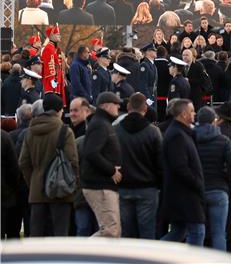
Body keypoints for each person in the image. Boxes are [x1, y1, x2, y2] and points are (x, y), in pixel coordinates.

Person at [18, 93, 79, 236]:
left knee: (36, 236)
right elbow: (73, 162)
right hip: (61, 190)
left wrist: (33, 181)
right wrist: (74, 185)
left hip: (36, 191)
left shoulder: (30, 132)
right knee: (59, 235)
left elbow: (23, 162)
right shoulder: (65, 131)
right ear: (59, 111)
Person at [193, 106, 231, 251]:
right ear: (213, 120)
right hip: (218, 189)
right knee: (219, 233)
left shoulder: (192, 138)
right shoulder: (222, 140)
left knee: (198, 232)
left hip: (198, 190)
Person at [114, 92, 163, 239]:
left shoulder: (116, 131)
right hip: (148, 188)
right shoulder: (153, 132)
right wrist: (160, 184)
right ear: (145, 109)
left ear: (128, 107)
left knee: (127, 235)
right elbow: (160, 162)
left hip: (123, 187)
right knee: (147, 233)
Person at [161, 99, 206, 246]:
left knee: (179, 232)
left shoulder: (182, 133)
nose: (194, 114)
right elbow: (180, 167)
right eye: (192, 111)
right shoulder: (177, 135)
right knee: (197, 231)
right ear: (183, 114)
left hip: (183, 194)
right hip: (184, 194)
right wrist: (197, 183)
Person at [81, 91, 123, 237]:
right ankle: (78, 255)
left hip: (103, 184)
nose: (118, 105)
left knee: (114, 231)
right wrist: (111, 170)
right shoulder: (100, 125)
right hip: (100, 185)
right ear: (105, 106)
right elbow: (91, 153)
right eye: (115, 103)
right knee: (110, 232)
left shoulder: (102, 123)